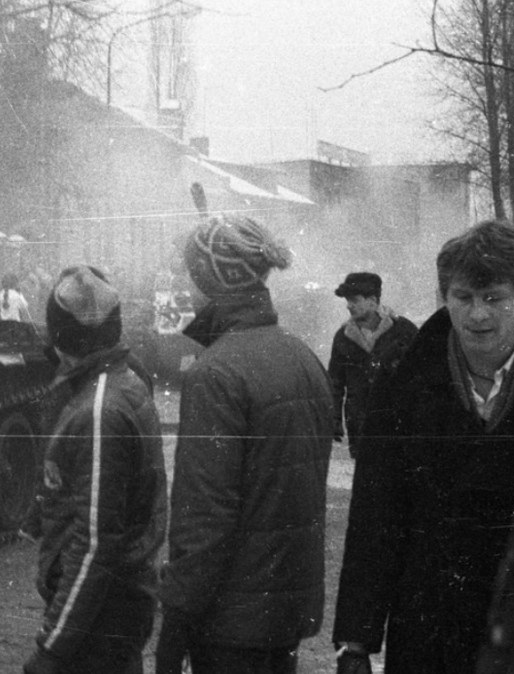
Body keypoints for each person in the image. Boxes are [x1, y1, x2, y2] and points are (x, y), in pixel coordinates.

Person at [332, 220, 514, 674]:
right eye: (463, 297)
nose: (478, 315)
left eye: (494, 298)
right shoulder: (403, 386)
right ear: (444, 298)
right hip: (432, 626)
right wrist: (356, 640)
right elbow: (376, 517)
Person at [156, 214, 335, 674]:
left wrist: (174, 629)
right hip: (286, 616)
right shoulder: (303, 357)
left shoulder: (214, 374)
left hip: (229, 625)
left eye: (189, 275)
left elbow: (204, 520)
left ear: (209, 283)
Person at [23, 265, 167, 674]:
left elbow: (94, 544)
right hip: (118, 605)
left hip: (101, 616)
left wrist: (52, 648)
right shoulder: (124, 381)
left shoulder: (98, 409)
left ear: (61, 335)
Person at [328, 272, 418, 459]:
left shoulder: (404, 331)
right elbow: (335, 384)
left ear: (372, 300)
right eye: (347, 300)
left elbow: (424, 376)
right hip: (360, 430)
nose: (348, 305)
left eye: (354, 300)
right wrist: (333, 419)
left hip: (400, 427)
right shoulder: (343, 337)